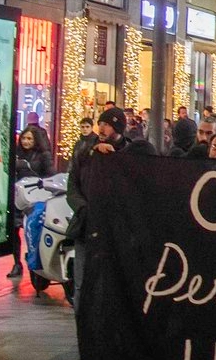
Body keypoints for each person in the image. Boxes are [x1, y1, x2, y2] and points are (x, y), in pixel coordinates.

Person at [67, 107, 156, 307]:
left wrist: (114, 158)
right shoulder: (84, 150)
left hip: (117, 230)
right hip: (87, 226)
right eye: (101, 123)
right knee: (82, 283)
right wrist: (84, 209)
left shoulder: (129, 152)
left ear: (118, 127)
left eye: (107, 124)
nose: (102, 128)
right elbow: (72, 185)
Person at [8, 126, 54, 278]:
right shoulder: (16, 153)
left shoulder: (44, 155)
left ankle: (36, 264)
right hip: (17, 198)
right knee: (14, 232)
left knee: (34, 231)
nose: (26, 141)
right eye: (24, 138)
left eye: (29, 139)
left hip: (35, 200)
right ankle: (17, 263)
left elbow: (50, 176)